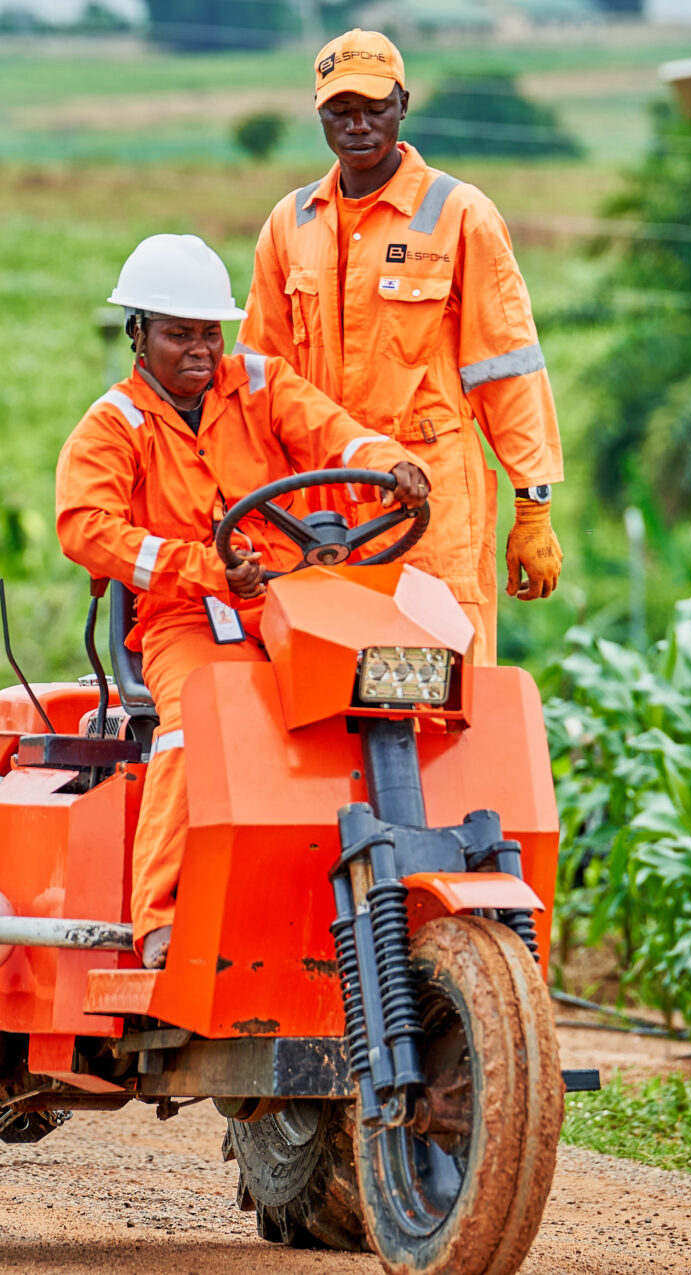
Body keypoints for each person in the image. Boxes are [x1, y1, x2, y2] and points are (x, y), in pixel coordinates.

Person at [56, 234, 429, 970]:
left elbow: (335, 434)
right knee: (200, 717)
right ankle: (161, 918)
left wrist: (392, 463)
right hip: (183, 615)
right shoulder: (114, 425)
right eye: (179, 333)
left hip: (290, 602)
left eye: (209, 332)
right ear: (138, 333)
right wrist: (206, 568)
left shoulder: (261, 384)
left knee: (382, 696)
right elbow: (86, 529)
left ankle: (389, 891)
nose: (200, 350)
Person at [241, 28, 565, 665]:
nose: (358, 125)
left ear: (403, 105)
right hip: (320, 507)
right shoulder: (290, 224)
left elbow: (507, 369)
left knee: (445, 687)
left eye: (374, 107)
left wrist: (534, 508)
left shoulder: (459, 214)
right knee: (324, 688)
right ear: (320, 115)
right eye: (340, 110)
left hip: (429, 502)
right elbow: (259, 380)